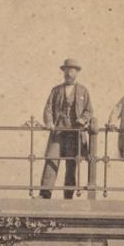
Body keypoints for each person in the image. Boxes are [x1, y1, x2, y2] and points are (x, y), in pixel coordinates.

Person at [40, 58, 93, 199]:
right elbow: (48, 109)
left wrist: (83, 120)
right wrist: (49, 121)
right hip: (58, 131)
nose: (69, 73)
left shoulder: (83, 91)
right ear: (63, 72)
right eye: (67, 70)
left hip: (74, 134)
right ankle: (45, 193)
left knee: (71, 164)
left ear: (76, 73)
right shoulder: (56, 90)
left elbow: (89, 111)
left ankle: (68, 195)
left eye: (72, 71)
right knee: (52, 160)